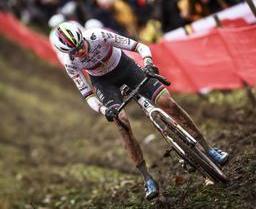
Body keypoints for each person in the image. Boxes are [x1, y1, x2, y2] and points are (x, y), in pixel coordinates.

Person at [49, 22, 229, 200]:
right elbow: (87, 94)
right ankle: (147, 178)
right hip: (104, 84)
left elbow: (139, 46)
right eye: (74, 51)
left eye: (80, 45)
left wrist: (148, 63)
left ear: (83, 37)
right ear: (67, 53)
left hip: (125, 68)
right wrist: (104, 110)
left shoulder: (98, 35)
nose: (80, 52)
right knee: (121, 122)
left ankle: (209, 148)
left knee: (168, 103)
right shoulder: (70, 62)